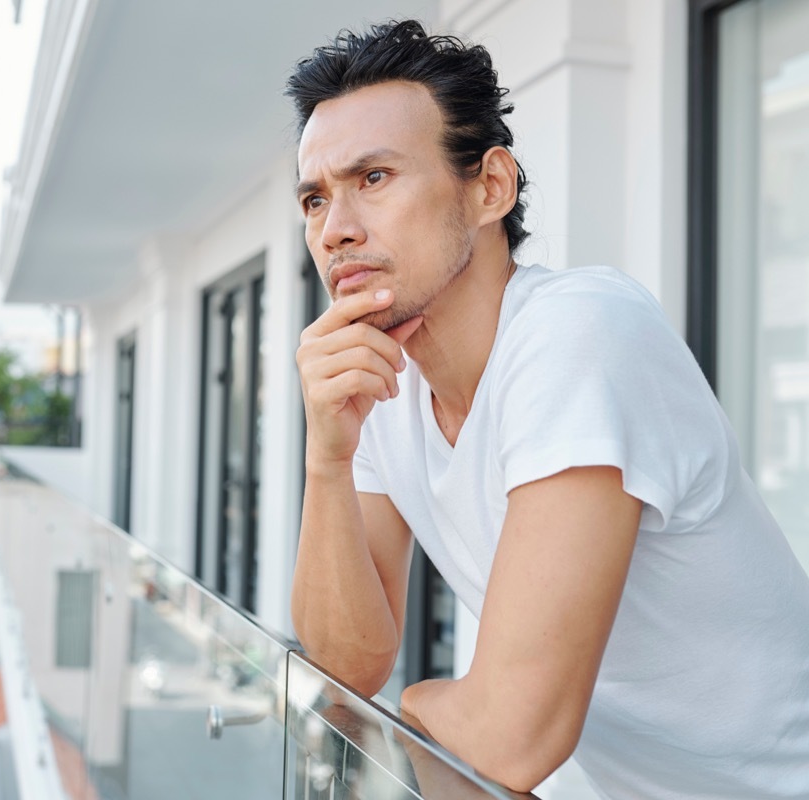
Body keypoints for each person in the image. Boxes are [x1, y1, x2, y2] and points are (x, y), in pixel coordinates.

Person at [287, 19, 809, 798]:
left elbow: (511, 737)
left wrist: (420, 706)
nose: (335, 230)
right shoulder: (381, 380)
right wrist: (326, 458)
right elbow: (348, 665)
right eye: (315, 199)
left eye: (374, 178)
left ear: (490, 186)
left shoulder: (579, 329)